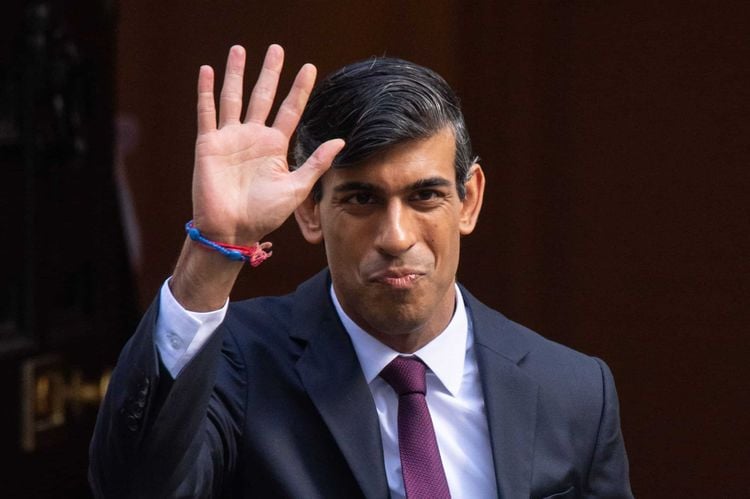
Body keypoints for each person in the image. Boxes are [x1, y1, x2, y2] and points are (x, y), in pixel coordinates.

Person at [88, 44, 633, 498]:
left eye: (426, 196)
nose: (396, 237)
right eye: (361, 199)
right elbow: (139, 488)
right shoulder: (238, 365)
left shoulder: (574, 391)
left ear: (469, 201)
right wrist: (217, 247)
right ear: (309, 210)